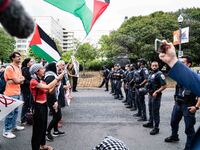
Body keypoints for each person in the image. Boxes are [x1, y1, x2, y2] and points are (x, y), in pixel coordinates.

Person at [158, 41, 200, 150]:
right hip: (178, 104)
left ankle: (189, 147)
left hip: (188, 106)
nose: (180, 64)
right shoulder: (181, 77)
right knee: (173, 122)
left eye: (183, 62)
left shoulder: (193, 77)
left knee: (189, 129)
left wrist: (196, 107)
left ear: (189, 64)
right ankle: (174, 136)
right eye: (179, 62)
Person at [29, 63, 64, 150]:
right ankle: (35, 148)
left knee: (43, 126)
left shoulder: (41, 80)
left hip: (44, 105)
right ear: (37, 71)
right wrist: (57, 78)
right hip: (37, 107)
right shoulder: (33, 81)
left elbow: (49, 90)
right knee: (37, 129)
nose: (44, 70)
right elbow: (48, 86)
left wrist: (57, 84)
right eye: (42, 69)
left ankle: (43, 145)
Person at [3, 52, 25, 139]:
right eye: (17, 57)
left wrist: (18, 80)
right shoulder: (9, 67)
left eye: (20, 56)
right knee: (10, 113)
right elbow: (17, 81)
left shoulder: (18, 67)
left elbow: (21, 80)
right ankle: (6, 131)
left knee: (16, 111)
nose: (19, 58)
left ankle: (13, 126)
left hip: (17, 92)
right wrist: (18, 80)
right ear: (12, 58)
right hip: (10, 93)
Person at [143, 61, 167, 135]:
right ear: (151, 66)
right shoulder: (151, 73)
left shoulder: (160, 74)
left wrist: (156, 92)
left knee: (155, 111)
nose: (154, 67)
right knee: (150, 109)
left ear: (158, 66)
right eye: (153, 65)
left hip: (156, 95)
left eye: (156, 65)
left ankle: (156, 128)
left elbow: (164, 86)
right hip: (150, 95)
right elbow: (149, 83)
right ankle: (150, 122)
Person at [45, 62, 65, 142]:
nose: (58, 67)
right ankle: (47, 131)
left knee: (55, 115)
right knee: (58, 116)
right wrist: (55, 101)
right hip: (52, 99)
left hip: (53, 98)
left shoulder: (52, 75)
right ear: (53, 67)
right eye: (56, 66)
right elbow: (50, 90)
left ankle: (56, 131)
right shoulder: (50, 76)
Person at [20, 58, 34, 125]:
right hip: (26, 89)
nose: (32, 62)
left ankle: (28, 118)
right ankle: (23, 119)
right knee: (26, 104)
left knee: (29, 104)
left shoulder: (30, 69)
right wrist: (32, 82)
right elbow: (25, 80)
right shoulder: (24, 69)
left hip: (29, 89)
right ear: (27, 62)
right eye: (31, 61)